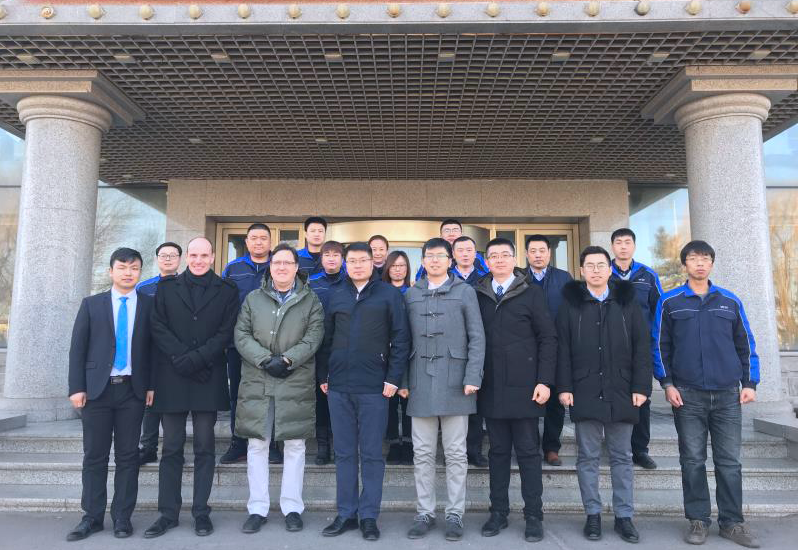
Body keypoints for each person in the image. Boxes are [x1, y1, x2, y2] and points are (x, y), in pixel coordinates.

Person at [653, 240, 760, 548]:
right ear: (684, 264)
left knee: (730, 462)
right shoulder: (670, 301)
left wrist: (750, 383)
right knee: (692, 460)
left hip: (727, 395)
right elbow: (659, 346)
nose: (699, 263)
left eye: (705, 258)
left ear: (711, 263)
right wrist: (667, 384)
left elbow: (746, 344)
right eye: (693, 258)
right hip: (687, 395)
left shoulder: (730, 301)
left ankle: (732, 523)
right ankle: (697, 521)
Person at [145, 237, 239, 538]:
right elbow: (157, 327)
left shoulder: (227, 290)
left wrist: (195, 359)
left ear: (213, 257)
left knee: (204, 447)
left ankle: (201, 513)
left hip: (207, 376)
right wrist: (182, 358)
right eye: (194, 255)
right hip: (172, 375)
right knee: (171, 447)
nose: (198, 260)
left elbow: (226, 332)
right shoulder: (166, 287)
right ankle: (167, 513)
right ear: (187, 256)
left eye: (204, 255)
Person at [556, 246, 651, 544]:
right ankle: (593, 515)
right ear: (581, 270)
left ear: (610, 270)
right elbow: (562, 349)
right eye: (590, 265)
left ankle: (624, 517)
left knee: (622, 456)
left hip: (622, 389)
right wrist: (564, 387)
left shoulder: (626, 302)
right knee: (588, 457)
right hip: (584, 389)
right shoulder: (570, 305)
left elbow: (642, 346)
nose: (596, 270)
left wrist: (641, 387)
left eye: (601, 265)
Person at [317, 242, 411, 541]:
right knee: (344, 453)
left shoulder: (389, 294)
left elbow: (401, 339)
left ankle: (369, 516)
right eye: (352, 261)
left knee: (371, 454)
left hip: (374, 387)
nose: (357, 265)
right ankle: (346, 513)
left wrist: (393, 378)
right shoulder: (336, 294)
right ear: (346, 264)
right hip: (339, 385)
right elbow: (326, 338)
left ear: (373, 263)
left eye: (363, 260)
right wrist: (323, 374)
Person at [234, 243, 325, 534]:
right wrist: (264, 359)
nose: (282, 267)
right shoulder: (253, 298)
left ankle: (292, 507)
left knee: (295, 446)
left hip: (294, 378)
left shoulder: (311, 300)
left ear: (297, 267)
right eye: (277, 263)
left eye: (287, 262)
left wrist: (287, 359)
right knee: (257, 444)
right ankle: (257, 509)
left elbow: (314, 336)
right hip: (258, 378)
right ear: (270, 267)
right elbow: (241, 334)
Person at [399, 238, 485, 541]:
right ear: (422, 261)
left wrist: (473, 376)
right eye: (429, 256)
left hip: (456, 381)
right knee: (422, 453)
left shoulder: (465, 292)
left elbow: (477, 337)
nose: (434, 260)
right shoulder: (411, 294)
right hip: (419, 381)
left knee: (456, 453)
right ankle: (424, 512)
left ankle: (454, 514)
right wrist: (403, 381)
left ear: (450, 260)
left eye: (440, 256)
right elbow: (402, 341)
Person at [66, 248, 154, 541]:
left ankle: (122, 518)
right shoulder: (92, 304)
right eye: (122, 267)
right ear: (111, 271)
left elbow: (154, 349)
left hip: (132, 390)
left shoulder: (149, 305)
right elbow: (78, 348)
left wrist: (151, 385)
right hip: (97, 391)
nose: (128, 273)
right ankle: (91, 517)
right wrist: (76, 387)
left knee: (128, 457)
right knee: (95, 456)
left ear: (140, 271)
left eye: (134, 268)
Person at [474, 238, 556, 542]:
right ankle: (498, 512)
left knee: (528, 454)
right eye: (493, 256)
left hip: (526, 388)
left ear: (514, 259)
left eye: (504, 255)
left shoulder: (531, 293)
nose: (499, 260)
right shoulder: (478, 294)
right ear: (486, 261)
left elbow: (548, 338)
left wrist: (544, 381)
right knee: (497, 453)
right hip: (491, 387)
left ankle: (534, 515)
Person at [220, 223, 274, 465]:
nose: (259, 242)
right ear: (247, 242)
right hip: (238, 344)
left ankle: (272, 444)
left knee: (271, 394)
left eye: (263, 238)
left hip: (270, 344)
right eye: (254, 238)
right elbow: (223, 304)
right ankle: (238, 442)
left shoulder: (278, 266)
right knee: (238, 395)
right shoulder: (233, 268)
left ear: (270, 242)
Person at [610, 228, 663, 471]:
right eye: (618, 242)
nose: (623, 246)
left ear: (634, 246)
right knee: (612, 396)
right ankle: (615, 447)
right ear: (612, 247)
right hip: (610, 346)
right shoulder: (604, 272)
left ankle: (640, 450)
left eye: (627, 242)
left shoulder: (648, 275)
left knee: (642, 398)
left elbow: (659, 311)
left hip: (640, 348)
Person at [525, 234, 573, 467]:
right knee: (529, 400)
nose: (538, 255)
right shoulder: (519, 278)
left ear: (549, 253)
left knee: (554, 401)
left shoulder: (564, 278)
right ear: (526, 254)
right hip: (526, 348)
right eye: (533, 251)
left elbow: (572, 312)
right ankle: (530, 446)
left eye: (542, 250)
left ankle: (551, 448)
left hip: (556, 346)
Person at [136, 241, 182, 466]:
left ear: (180, 260)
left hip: (177, 351)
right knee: (150, 400)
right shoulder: (143, 288)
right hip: (150, 350)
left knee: (176, 402)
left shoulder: (186, 285)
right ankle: (148, 447)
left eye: (173, 255)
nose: (168, 259)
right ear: (156, 259)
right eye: (163, 255)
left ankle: (175, 449)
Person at [451, 235, 490, 467]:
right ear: (453, 254)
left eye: (469, 250)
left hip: (478, 342)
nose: (465, 254)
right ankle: (452, 452)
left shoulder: (485, 279)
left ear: (476, 254)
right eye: (460, 250)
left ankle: (474, 451)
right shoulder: (445, 277)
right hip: (451, 346)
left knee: (475, 400)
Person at [308, 240, 346, 465]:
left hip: (344, 347)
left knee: (342, 401)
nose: (331, 258)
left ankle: (341, 445)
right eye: (327, 254)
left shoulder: (350, 281)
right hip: (318, 348)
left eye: (336, 255)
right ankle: (323, 446)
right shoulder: (311, 283)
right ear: (321, 258)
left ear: (342, 259)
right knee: (321, 400)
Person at [381, 250, 413, 464]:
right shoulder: (380, 292)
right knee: (389, 401)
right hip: (385, 354)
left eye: (402, 265)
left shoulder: (413, 292)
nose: (398, 269)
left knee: (409, 401)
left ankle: (409, 444)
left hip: (410, 353)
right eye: (393, 266)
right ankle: (393, 443)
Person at [416, 219, 488, 280]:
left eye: (455, 230)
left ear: (461, 234)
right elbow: (419, 279)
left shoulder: (475, 256)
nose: (451, 234)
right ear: (441, 236)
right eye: (447, 231)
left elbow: (487, 278)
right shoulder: (434, 257)